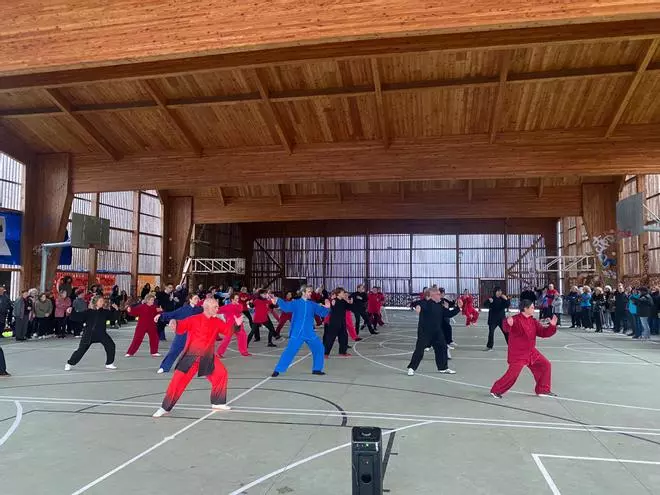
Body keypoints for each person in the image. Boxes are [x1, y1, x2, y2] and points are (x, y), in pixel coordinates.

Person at [152, 298, 242, 418]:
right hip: (190, 356)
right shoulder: (194, 319)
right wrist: (173, 322)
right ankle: (165, 407)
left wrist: (237, 325)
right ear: (207, 308)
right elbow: (180, 325)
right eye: (215, 306)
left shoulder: (217, 322)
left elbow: (228, 331)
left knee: (221, 373)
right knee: (177, 382)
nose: (217, 308)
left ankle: (218, 403)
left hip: (207, 356)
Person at [490, 300, 558, 398]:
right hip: (518, 353)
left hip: (531, 352)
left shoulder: (533, 321)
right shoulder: (515, 319)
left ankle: (543, 390)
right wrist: (508, 323)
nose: (534, 309)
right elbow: (506, 328)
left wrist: (552, 325)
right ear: (525, 309)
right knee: (512, 375)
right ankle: (496, 390)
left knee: (545, 365)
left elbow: (543, 333)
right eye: (532, 307)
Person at [270, 285, 330, 377]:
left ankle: (317, 369)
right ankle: (278, 369)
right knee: (290, 351)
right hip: (297, 332)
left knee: (319, 348)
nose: (311, 293)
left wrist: (327, 308)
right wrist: (278, 300)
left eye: (311, 292)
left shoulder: (312, 304)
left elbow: (322, 312)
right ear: (303, 292)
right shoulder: (296, 303)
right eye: (309, 292)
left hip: (309, 332)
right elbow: (286, 307)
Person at [406, 287, 462, 376]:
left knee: (442, 348)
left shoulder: (440, 305)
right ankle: (411, 368)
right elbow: (417, 304)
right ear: (432, 295)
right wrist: (417, 307)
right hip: (425, 332)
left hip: (437, 332)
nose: (440, 295)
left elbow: (448, 314)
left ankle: (443, 368)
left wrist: (458, 308)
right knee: (419, 350)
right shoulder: (425, 303)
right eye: (438, 294)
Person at [64, 295, 118, 371]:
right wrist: (70, 311)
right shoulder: (88, 312)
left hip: (101, 334)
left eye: (102, 301)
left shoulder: (105, 312)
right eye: (100, 301)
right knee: (81, 350)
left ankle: (109, 363)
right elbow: (77, 317)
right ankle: (69, 363)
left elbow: (113, 317)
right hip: (89, 334)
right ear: (96, 302)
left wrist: (116, 310)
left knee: (111, 345)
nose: (102, 302)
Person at [155, 294, 204, 374]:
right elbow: (172, 314)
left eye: (198, 298)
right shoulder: (183, 309)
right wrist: (160, 315)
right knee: (173, 351)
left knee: (197, 352)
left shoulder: (199, 310)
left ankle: (196, 368)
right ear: (190, 300)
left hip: (194, 335)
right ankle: (164, 367)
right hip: (182, 334)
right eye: (195, 298)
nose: (197, 300)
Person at [216, 293, 251, 358]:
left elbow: (239, 310)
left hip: (238, 324)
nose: (238, 300)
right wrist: (214, 307)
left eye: (238, 298)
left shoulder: (239, 305)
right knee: (227, 339)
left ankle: (244, 351)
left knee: (243, 337)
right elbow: (218, 310)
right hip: (230, 325)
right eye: (236, 298)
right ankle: (219, 352)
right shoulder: (227, 306)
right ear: (232, 299)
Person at [323, 288, 353, 357]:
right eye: (342, 293)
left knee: (344, 337)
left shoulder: (343, 301)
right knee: (330, 338)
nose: (344, 294)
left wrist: (350, 303)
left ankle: (342, 352)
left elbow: (349, 308)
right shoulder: (334, 300)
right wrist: (330, 302)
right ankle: (325, 353)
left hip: (342, 322)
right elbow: (330, 306)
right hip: (334, 322)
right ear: (338, 294)